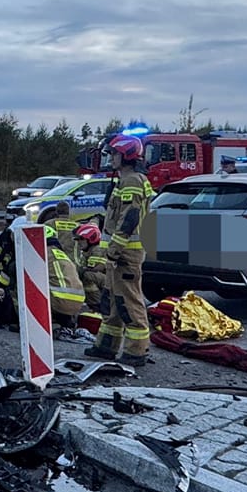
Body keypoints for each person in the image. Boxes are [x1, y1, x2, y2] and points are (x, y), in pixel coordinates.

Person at [86, 133, 152, 365]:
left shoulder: (133, 180)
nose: (111, 158)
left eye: (114, 153)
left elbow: (129, 217)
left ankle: (137, 351)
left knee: (129, 301)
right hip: (118, 254)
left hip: (125, 254)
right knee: (113, 301)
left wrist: (114, 249)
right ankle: (106, 346)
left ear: (126, 155)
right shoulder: (126, 180)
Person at [46, 225, 86, 327]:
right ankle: (65, 320)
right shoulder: (61, 254)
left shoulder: (43, 253)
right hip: (78, 303)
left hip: (59, 302)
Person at [75, 222, 109, 314]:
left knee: (87, 275)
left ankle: (97, 304)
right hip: (104, 280)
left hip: (109, 281)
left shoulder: (97, 249)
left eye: (81, 239)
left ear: (91, 239)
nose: (79, 242)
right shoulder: (88, 251)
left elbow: (95, 268)